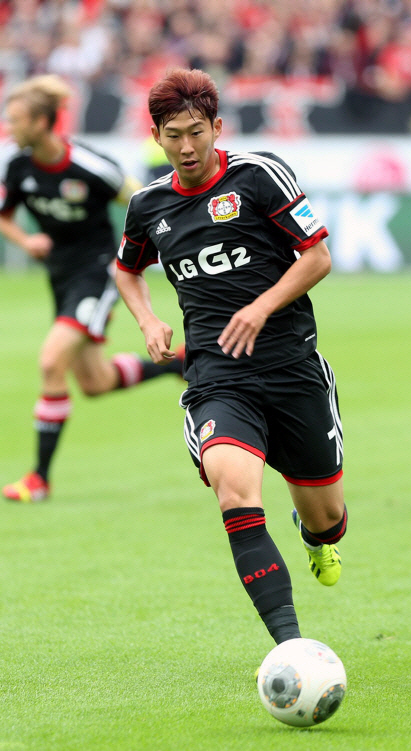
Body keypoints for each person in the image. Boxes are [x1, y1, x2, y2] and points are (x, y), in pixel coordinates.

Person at [115, 67, 347, 645]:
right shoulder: (148, 205)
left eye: (196, 132)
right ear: (156, 136)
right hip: (217, 379)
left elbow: (317, 257)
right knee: (235, 494)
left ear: (217, 127)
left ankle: (315, 537)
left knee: (328, 521)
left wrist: (260, 307)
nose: (186, 147)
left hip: (291, 368)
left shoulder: (258, 176)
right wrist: (148, 319)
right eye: (173, 135)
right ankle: (291, 649)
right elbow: (125, 269)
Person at [0, 74, 185, 503]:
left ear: (42, 122)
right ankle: (177, 364)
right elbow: (5, 215)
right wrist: (26, 242)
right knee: (94, 382)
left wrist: (169, 244)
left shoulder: (89, 165)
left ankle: (39, 480)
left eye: (17, 119)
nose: (10, 127)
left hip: (99, 272)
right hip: (60, 277)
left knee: (51, 362)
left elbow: (143, 200)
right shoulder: (19, 165)